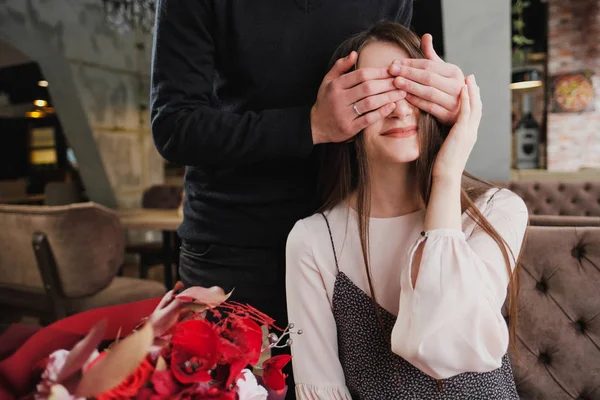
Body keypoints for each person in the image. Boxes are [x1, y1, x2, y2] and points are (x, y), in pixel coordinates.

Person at [285, 21, 528, 399]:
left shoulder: (498, 211)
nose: (399, 110)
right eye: (376, 92)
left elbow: (446, 345)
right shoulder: (314, 240)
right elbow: (323, 391)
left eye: (410, 88)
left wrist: (447, 176)